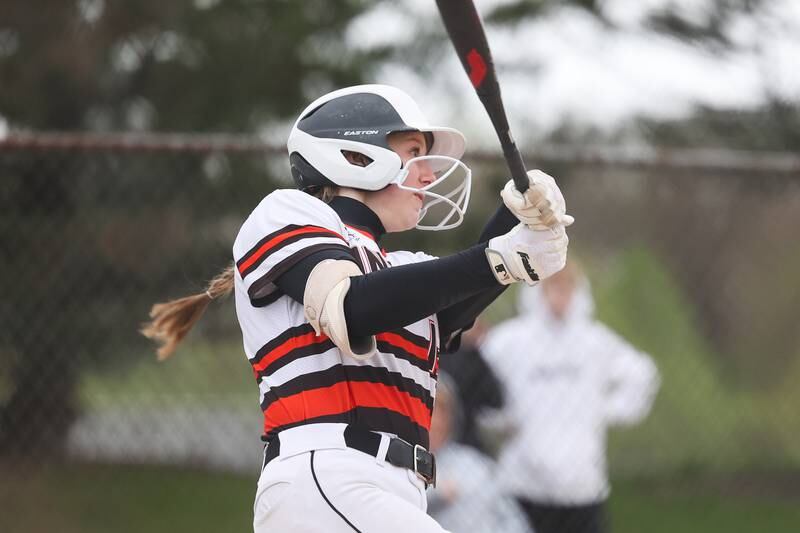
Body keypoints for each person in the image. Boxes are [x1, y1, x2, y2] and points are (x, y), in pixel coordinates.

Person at [141, 84, 572, 532]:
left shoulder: (402, 270)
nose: (428, 176)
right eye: (413, 153)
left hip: (391, 490)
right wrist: (496, 258)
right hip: (330, 477)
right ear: (355, 154)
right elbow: (352, 307)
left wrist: (521, 218)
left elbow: (450, 295)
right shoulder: (286, 214)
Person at [482, 261, 661, 533]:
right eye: (553, 287)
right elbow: (478, 385)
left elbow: (641, 374)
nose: (560, 296)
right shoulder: (511, 340)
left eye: (567, 287)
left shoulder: (594, 342)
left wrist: (602, 410)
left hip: (581, 485)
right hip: (523, 481)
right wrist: (501, 420)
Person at [426, 373, 532, 533]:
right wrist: (437, 495)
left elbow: (508, 514)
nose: (436, 423)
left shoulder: (472, 463)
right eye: (429, 414)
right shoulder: (395, 463)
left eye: (442, 414)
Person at [438, 317, 504, 455]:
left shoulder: (473, 358)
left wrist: (472, 349)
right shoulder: (435, 351)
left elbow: (496, 400)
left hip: (463, 443)